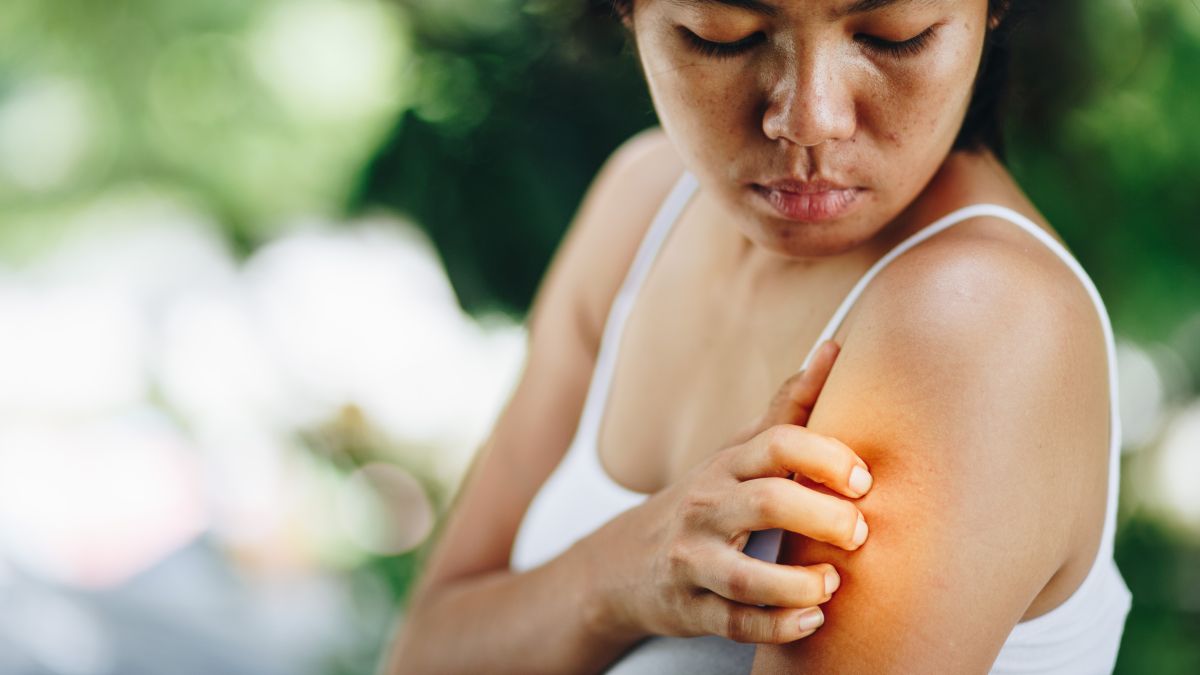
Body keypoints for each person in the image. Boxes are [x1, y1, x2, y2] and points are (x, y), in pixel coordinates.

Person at [386, 0, 1132, 672]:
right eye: (723, 36)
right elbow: (424, 649)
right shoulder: (643, 201)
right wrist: (614, 575)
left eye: (892, 35)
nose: (810, 119)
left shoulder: (974, 318)